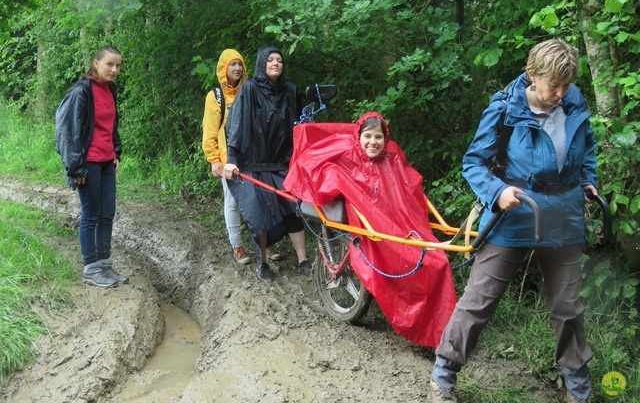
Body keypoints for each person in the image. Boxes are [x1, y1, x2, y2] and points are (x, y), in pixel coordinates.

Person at [430, 39, 598, 403]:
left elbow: (588, 149)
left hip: (564, 216)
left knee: (568, 306)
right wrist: (497, 192)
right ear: (532, 75)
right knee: (480, 298)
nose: (560, 93)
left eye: (566, 84)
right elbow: (473, 163)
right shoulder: (505, 108)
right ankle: (442, 378)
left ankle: (579, 392)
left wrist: (589, 182)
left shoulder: (573, 100)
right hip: (514, 213)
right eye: (553, 84)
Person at [284, 112, 458, 348]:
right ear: (359, 136)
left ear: (385, 140)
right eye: (368, 136)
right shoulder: (346, 153)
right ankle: (434, 331)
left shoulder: (392, 157)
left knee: (436, 260)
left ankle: (442, 330)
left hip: (398, 225)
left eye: (378, 137)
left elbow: (409, 189)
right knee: (426, 261)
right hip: (370, 226)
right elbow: (314, 164)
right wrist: (333, 179)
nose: (372, 142)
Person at [223, 45, 311, 281]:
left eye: (279, 60)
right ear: (262, 63)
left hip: (283, 163)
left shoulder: (291, 90)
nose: (275, 63)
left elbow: (303, 125)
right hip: (253, 163)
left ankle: (303, 260)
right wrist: (232, 158)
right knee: (259, 216)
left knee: (292, 211)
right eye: (270, 60)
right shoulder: (249, 89)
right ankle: (262, 263)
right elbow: (237, 123)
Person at [55, 45, 128, 288]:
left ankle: (105, 265)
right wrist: (75, 168)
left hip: (107, 161)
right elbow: (69, 131)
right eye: (110, 64)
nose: (114, 69)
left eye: (118, 65)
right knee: (91, 214)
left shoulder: (110, 89)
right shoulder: (82, 91)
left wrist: (116, 151)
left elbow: (111, 124)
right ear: (96, 63)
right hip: (87, 163)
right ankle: (91, 268)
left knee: (108, 213)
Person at [202, 49, 252, 265]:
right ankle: (238, 246)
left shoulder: (249, 91)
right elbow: (210, 130)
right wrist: (214, 159)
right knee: (232, 203)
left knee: (256, 201)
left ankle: (264, 243)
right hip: (227, 158)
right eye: (233, 65)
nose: (237, 69)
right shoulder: (215, 97)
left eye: (239, 64)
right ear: (224, 68)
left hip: (252, 157)